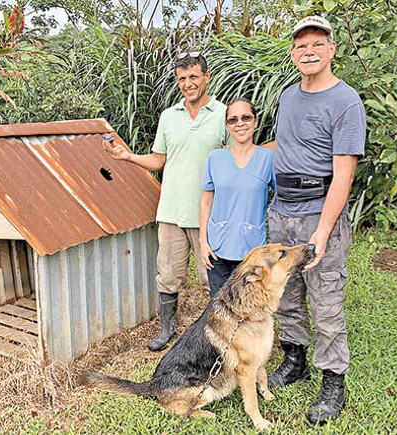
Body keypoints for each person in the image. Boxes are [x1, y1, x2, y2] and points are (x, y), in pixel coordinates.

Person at [266, 16, 366, 425]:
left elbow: (343, 172)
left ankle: (332, 380)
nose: (308, 51)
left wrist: (322, 232)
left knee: (325, 301)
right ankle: (295, 359)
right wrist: (235, 155)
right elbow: (281, 146)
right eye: (300, 45)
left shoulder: (346, 102)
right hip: (282, 210)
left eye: (316, 44)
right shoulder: (289, 97)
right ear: (293, 53)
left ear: (331, 50)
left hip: (317, 211)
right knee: (285, 295)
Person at [102, 51, 230, 352]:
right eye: (182, 78)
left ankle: (219, 333)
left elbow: (233, 161)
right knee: (168, 274)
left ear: (206, 77)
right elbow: (159, 160)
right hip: (172, 211)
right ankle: (167, 328)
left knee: (213, 277)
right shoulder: (169, 117)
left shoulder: (223, 114)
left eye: (194, 76)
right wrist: (127, 156)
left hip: (208, 214)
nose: (188, 83)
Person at [199, 98, 275, 297]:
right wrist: (202, 241)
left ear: (255, 121)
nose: (239, 123)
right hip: (217, 246)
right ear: (227, 125)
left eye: (245, 117)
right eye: (233, 120)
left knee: (249, 307)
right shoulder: (214, 159)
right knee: (220, 307)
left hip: (252, 249)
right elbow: (206, 201)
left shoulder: (268, 159)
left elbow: (281, 198)